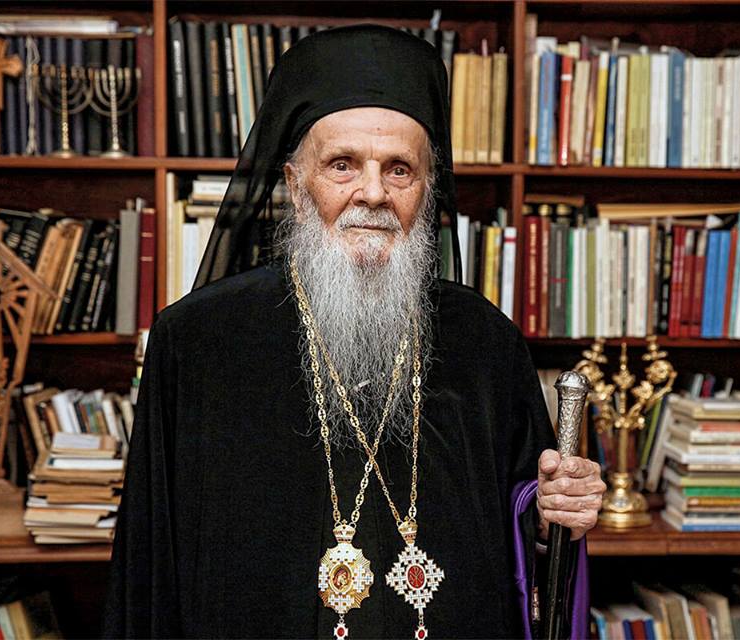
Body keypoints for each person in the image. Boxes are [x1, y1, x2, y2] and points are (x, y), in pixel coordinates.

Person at [103, 24, 605, 639]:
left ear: (427, 190)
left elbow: (527, 529)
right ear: (296, 185)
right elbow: (150, 569)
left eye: (400, 170)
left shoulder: (484, 341)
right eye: (342, 165)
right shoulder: (198, 342)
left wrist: (554, 513)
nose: (373, 193)